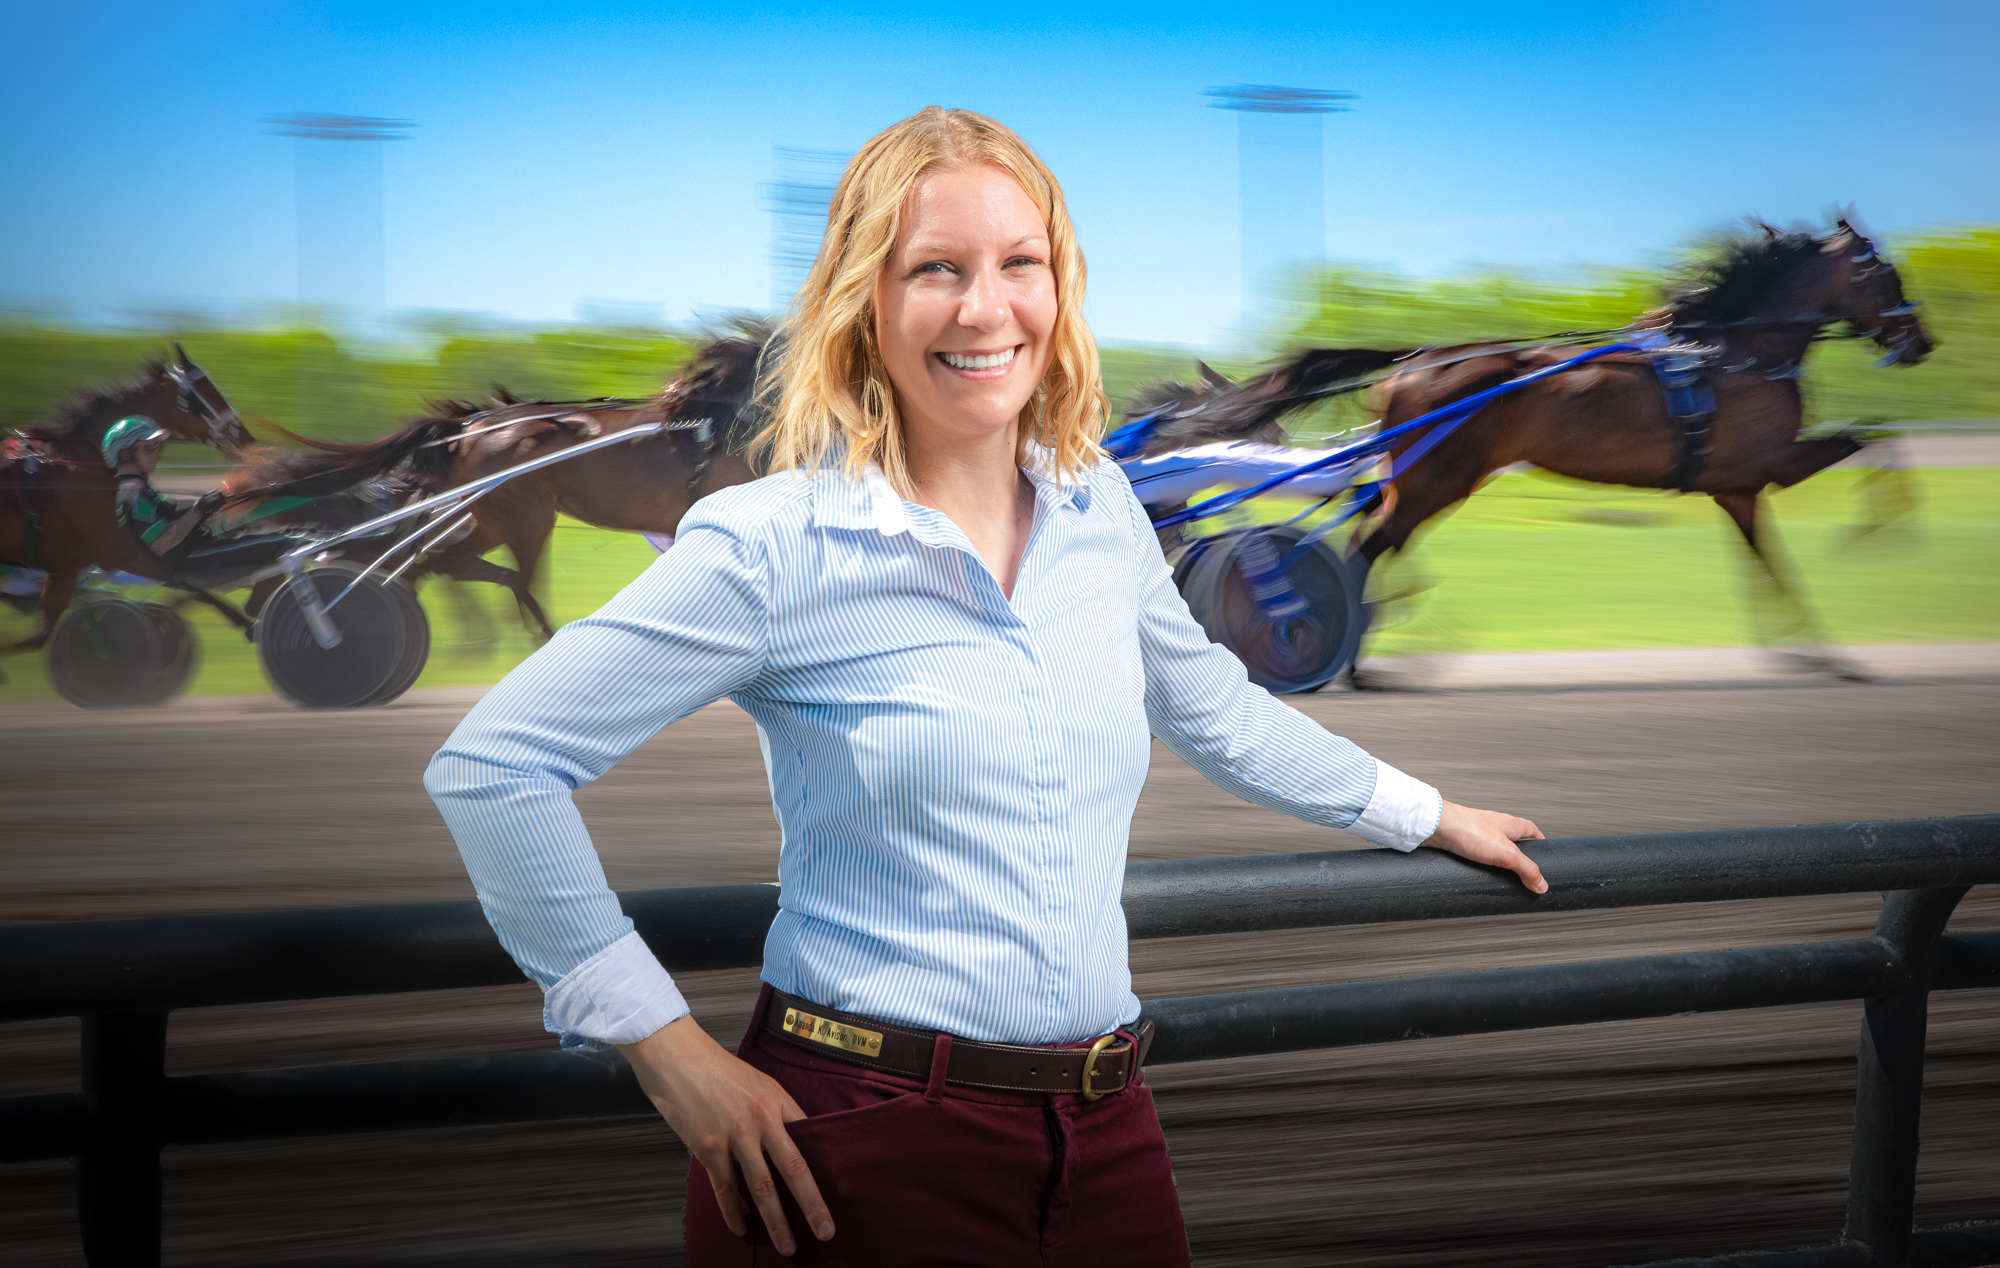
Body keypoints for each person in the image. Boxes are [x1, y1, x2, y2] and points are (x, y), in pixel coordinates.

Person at [425, 107, 1547, 1267]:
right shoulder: (771, 543)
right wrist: (667, 1049)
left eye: (1021, 264)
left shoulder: (1097, 504)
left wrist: (1428, 812)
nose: (983, 307)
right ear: (863, 301)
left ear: (1059, 291)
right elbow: (494, 763)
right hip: (852, 1152)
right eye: (935, 270)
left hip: (1108, 1137)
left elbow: (1212, 706)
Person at [103, 415, 311, 583]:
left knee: (270, 534)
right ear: (125, 454)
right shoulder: (133, 491)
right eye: (149, 447)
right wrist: (199, 509)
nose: (156, 453)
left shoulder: (137, 487)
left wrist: (208, 503)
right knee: (281, 541)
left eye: (156, 446)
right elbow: (160, 544)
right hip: (189, 559)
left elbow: (170, 520)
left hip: (194, 552)